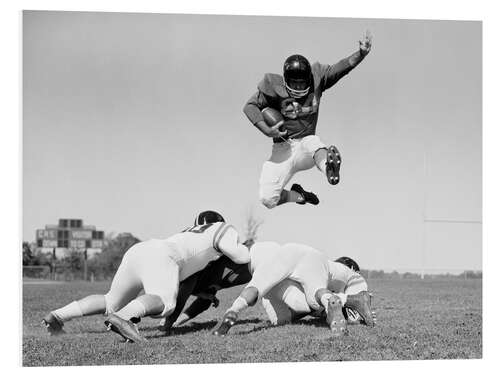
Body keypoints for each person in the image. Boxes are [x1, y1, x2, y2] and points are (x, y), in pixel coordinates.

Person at [42, 210, 250, 343]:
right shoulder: (221, 228)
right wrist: (245, 248)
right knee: (165, 302)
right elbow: (241, 256)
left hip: (140, 250)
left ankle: (58, 316)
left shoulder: (188, 233)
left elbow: (189, 279)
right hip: (164, 256)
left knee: (110, 301)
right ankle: (124, 318)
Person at [243, 31, 373, 208]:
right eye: (294, 83)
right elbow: (250, 106)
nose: (298, 87)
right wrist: (267, 130)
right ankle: (298, 196)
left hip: (305, 145)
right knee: (267, 199)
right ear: (286, 80)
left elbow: (340, 68)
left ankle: (328, 166)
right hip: (282, 148)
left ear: (309, 79)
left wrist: (360, 54)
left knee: (313, 143)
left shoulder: (317, 78)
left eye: (302, 83)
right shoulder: (273, 86)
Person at [212, 242, 372, 337]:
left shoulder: (266, 264)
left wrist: (234, 310)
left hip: (296, 263)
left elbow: (253, 291)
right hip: (307, 255)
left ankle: (342, 302)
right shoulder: (277, 252)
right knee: (295, 309)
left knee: (307, 300)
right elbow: (280, 318)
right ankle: (336, 303)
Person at [261, 256, 376, 326]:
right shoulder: (344, 274)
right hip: (289, 280)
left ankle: (352, 302)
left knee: (279, 319)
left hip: (280, 283)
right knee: (280, 320)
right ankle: (353, 301)